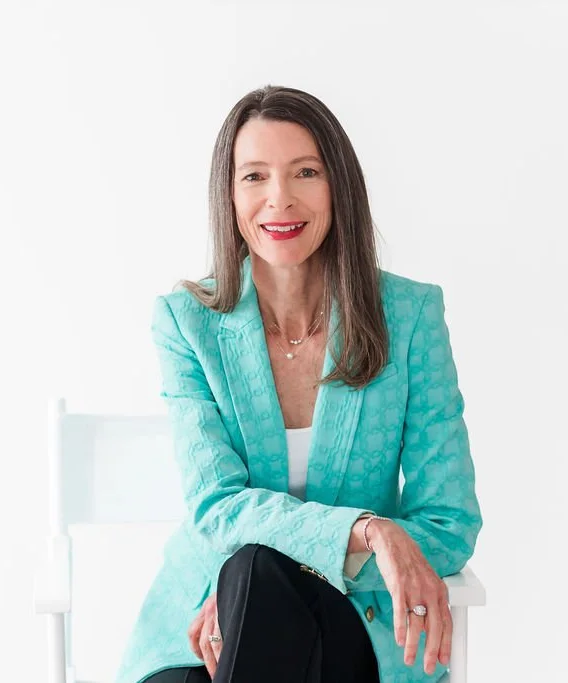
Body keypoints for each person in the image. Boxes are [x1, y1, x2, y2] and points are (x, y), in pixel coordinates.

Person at [114, 85, 482, 683]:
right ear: (229, 198)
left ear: (339, 186)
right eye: (254, 176)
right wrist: (367, 531)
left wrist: (270, 578)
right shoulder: (187, 323)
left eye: (304, 172)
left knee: (256, 573)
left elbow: (448, 519)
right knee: (249, 577)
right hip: (202, 634)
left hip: (353, 628)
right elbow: (217, 507)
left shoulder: (410, 318)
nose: (278, 199)